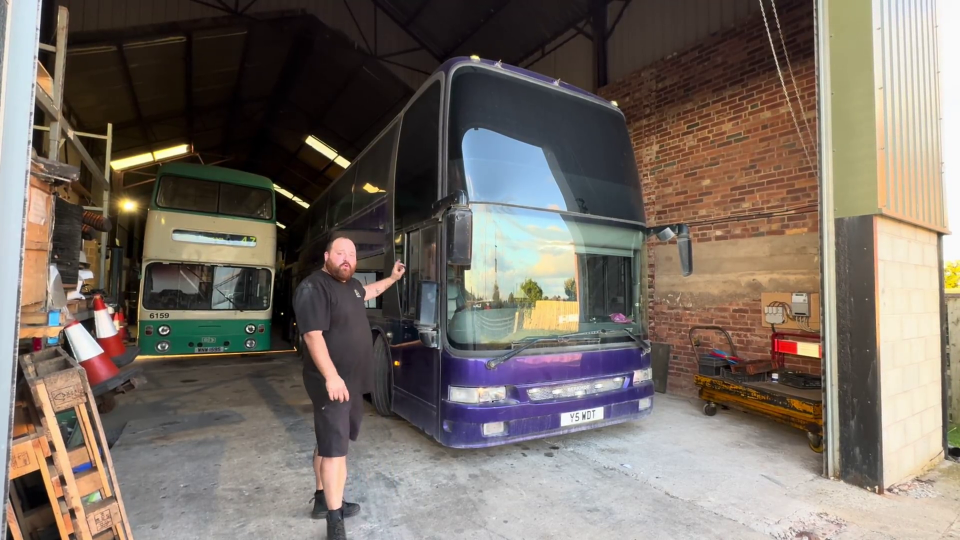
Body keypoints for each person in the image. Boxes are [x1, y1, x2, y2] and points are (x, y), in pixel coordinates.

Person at [293, 236, 405, 540]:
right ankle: (334, 518)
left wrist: (393, 279)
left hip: (350, 383)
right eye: (340, 253)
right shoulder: (314, 287)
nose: (347, 258)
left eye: (352, 254)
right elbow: (312, 336)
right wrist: (331, 376)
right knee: (336, 452)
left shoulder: (352, 286)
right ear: (327, 255)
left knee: (328, 442)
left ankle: (320, 499)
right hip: (332, 384)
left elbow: (368, 292)